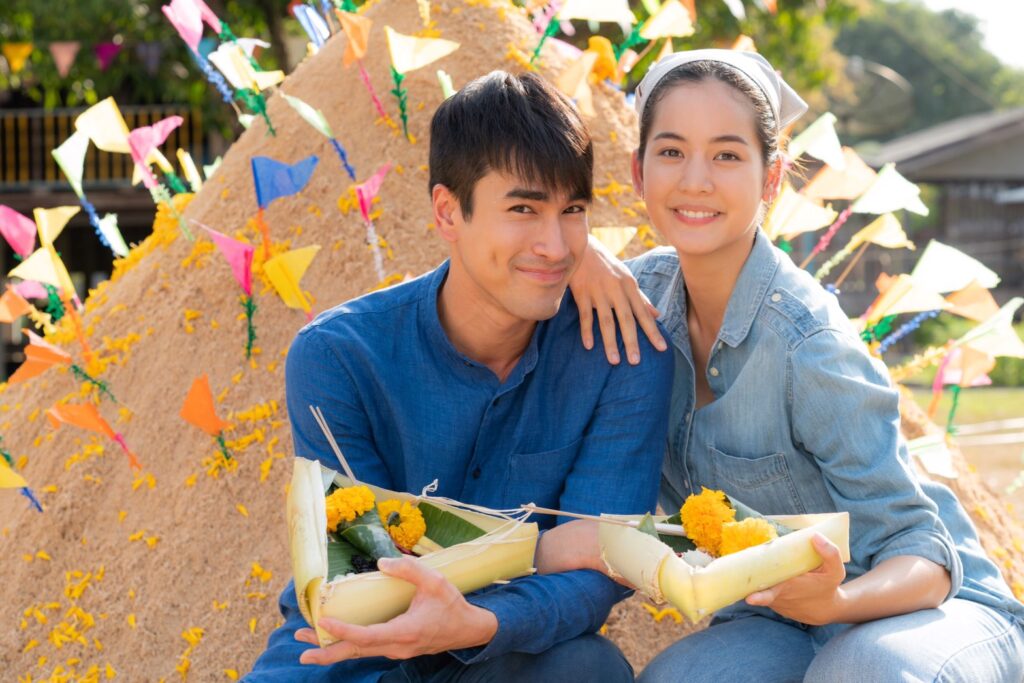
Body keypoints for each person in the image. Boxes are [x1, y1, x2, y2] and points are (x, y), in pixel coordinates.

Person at [542, 49, 1024, 681]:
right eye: (671, 151)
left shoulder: (807, 343)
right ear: (637, 171)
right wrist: (579, 252)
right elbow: (501, 261)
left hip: (926, 611)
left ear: (772, 178)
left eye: (726, 155)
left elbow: (925, 557)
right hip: (779, 620)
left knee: (861, 672)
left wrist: (838, 602)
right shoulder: (634, 303)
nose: (695, 180)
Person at [244, 70, 673, 682]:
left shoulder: (622, 354)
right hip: (348, 654)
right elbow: (369, 565)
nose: (555, 246)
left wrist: (480, 622)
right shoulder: (338, 358)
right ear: (448, 212)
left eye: (572, 211)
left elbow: (603, 568)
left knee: (586, 669)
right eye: (523, 209)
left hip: (502, 649)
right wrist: (541, 548)